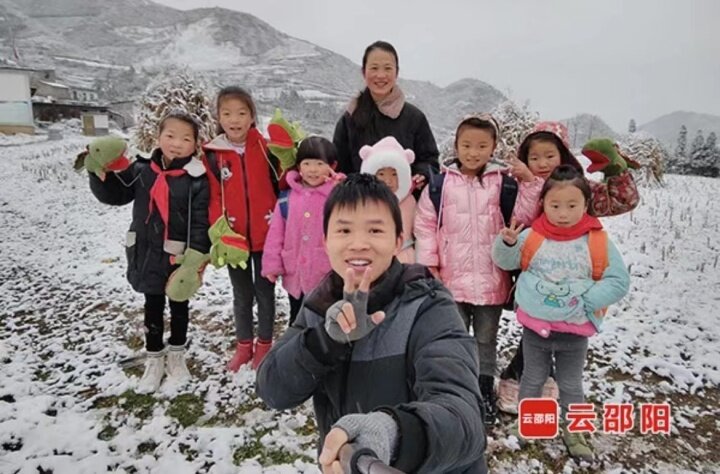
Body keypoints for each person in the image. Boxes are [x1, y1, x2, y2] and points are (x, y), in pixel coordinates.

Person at [256, 174, 487, 473]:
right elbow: (273, 390)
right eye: (344, 230)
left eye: (375, 230)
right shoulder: (319, 305)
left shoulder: (428, 305)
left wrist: (394, 433)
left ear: (398, 240)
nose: (358, 244)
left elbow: (464, 418)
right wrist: (323, 343)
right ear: (325, 241)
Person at [496, 121, 640, 414]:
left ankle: (542, 380)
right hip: (532, 262)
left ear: (563, 156)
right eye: (534, 157)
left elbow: (621, 201)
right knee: (537, 324)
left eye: (550, 156)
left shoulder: (576, 186)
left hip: (573, 272)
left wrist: (616, 170)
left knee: (559, 333)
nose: (542, 163)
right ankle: (528, 378)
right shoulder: (517, 183)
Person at [492, 165, 630, 460]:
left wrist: (584, 301)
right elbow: (505, 261)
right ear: (543, 203)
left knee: (570, 382)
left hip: (574, 330)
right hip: (536, 327)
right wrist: (507, 243)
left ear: (585, 204)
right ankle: (529, 423)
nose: (563, 213)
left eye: (572, 205)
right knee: (531, 378)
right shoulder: (533, 236)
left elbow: (618, 281)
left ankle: (574, 429)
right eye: (555, 205)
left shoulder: (596, 240)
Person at [413, 114, 543, 426]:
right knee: (454, 337)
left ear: (493, 147)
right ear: (456, 145)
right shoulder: (440, 184)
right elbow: (425, 224)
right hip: (451, 279)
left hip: (491, 280)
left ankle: (484, 389)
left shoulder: (504, 182)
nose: (473, 152)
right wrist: (430, 263)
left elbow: (522, 217)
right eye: (467, 145)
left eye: (482, 146)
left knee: (486, 339)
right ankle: (457, 389)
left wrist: (529, 183)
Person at [87, 111, 210, 393]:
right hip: (145, 253)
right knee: (152, 305)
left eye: (185, 139)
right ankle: (154, 358)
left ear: (195, 144)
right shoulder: (142, 170)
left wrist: (195, 258)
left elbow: (200, 221)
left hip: (178, 257)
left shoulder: (197, 178)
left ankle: (177, 354)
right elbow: (115, 194)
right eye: (170, 135)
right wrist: (97, 171)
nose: (176, 143)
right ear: (158, 137)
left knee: (179, 305)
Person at [202, 86, 280, 371]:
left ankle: (265, 344)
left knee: (265, 292)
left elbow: (282, 183)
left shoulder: (266, 148)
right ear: (218, 117)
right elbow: (213, 196)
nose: (234, 120)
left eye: (241, 113)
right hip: (234, 240)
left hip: (267, 234)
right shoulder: (213, 154)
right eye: (227, 113)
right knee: (242, 294)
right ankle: (244, 345)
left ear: (252, 116)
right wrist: (221, 231)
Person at [333, 40, 439, 190]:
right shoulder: (350, 118)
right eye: (374, 68)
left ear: (397, 72)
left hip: (404, 201)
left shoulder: (414, 118)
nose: (381, 75)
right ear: (363, 72)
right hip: (361, 200)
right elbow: (339, 166)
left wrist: (422, 174)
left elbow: (430, 160)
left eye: (388, 68)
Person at [262, 136, 345, 326]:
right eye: (307, 163)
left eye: (319, 164)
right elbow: (276, 234)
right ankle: (296, 343)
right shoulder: (287, 198)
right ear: (299, 166)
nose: (312, 170)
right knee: (297, 318)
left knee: (324, 322)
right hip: (296, 275)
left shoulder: (338, 198)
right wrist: (272, 264)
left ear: (332, 166)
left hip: (327, 275)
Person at [359, 136, 417, 263]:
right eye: (381, 174)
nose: (388, 180)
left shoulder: (409, 201)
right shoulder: (363, 202)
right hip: (372, 258)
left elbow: (421, 231)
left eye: (394, 174)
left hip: (404, 259)